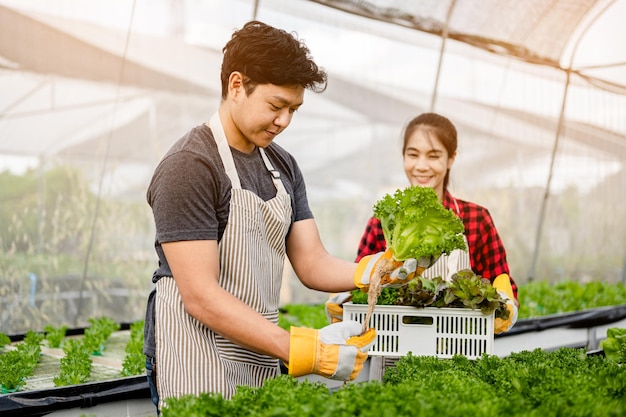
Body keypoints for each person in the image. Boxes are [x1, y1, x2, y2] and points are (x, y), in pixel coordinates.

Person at [142, 20, 413, 412]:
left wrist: (375, 270)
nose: (284, 120)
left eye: (293, 109)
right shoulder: (190, 165)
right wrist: (305, 349)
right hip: (195, 352)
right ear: (237, 86)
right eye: (275, 106)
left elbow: (311, 261)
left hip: (258, 346)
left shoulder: (282, 165)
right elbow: (201, 297)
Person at [327, 112, 519, 334]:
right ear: (403, 157)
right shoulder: (384, 223)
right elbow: (360, 283)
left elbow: (503, 286)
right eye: (413, 154)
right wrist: (345, 299)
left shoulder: (476, 218)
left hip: (461, 345)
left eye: (433, 156)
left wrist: (505, 306)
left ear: (451, 159)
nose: (421, 166)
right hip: (392, 345)